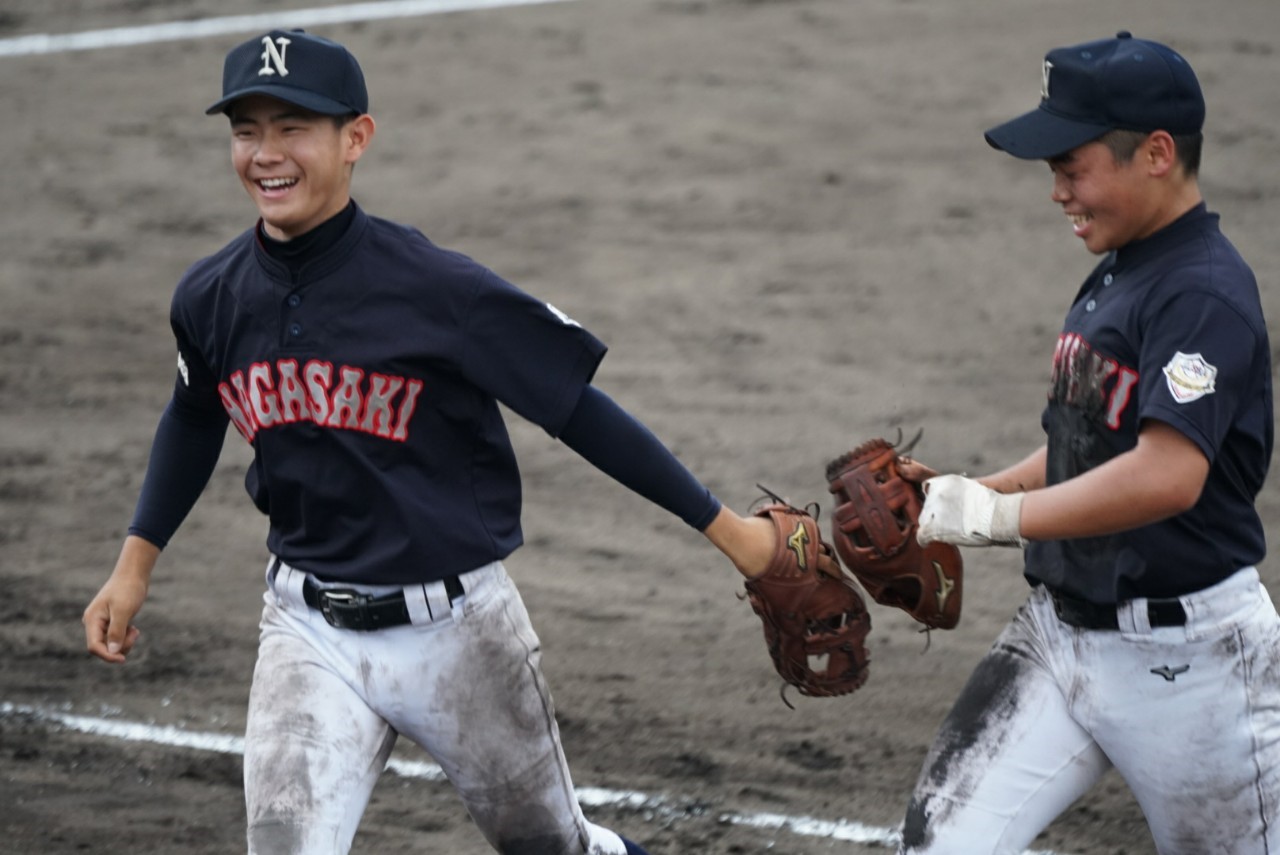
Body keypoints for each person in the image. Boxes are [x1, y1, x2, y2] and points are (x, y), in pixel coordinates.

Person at [81, 29, 780, 855]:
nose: (266, 153)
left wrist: (730, 530)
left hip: (458, 631)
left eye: (293, 127)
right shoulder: (210, 295)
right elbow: (194, 414)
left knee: (551, 848)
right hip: (306, 631)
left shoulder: (437, 289)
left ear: (356, 139)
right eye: (246, 129)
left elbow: (578, 411)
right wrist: (136, 562)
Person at [901, 32, 1280, 854]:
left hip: (1194, 666)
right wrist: (972, 495)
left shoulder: (1203, 291)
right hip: (1058, 635)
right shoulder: (1122, 268)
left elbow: (1166, 474)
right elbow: (1093, 447)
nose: (1059, 193)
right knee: (940, 843)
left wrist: (1002, 520)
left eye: (1073, 168)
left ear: (1155, 153)